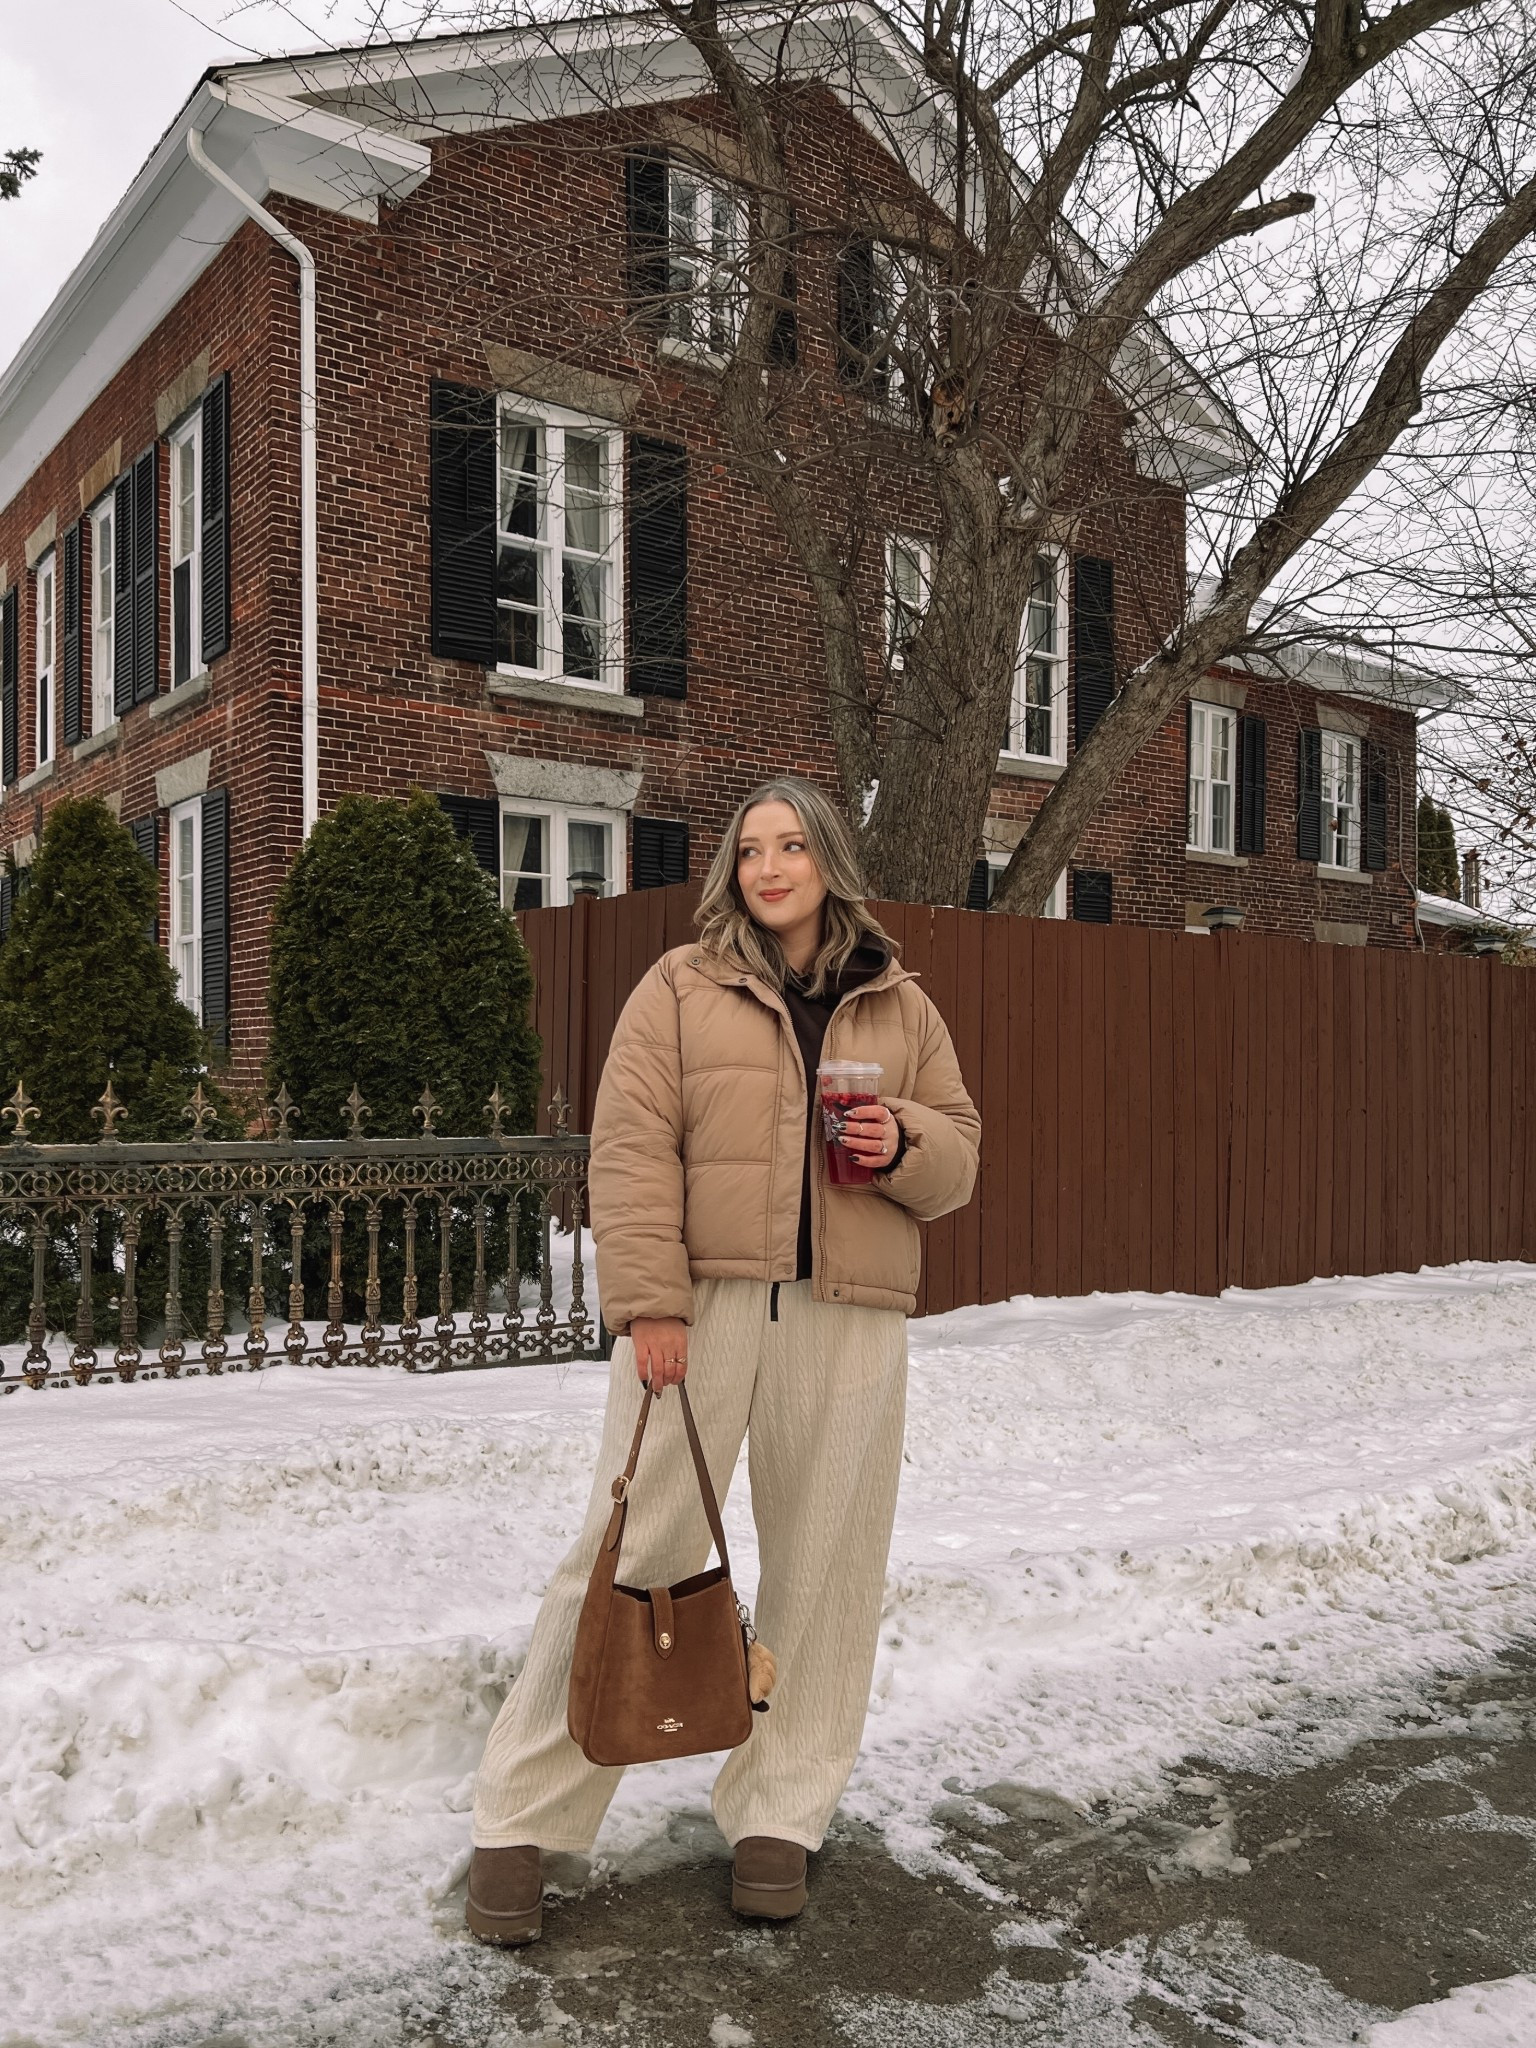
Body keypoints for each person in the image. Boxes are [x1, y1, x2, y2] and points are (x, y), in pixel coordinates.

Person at [467, 777, 980, 1942]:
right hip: (700, 1309)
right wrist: (650, 1301)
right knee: (632, 1548)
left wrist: (901, 1137)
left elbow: (959, 1158)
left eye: (793, 845)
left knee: (827, 1562)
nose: (771, 866)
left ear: (829, 859)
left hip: (850, 1311)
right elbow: (632, 1146)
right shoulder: (680, 986)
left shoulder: (900, 1004)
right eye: (752, 849)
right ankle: (521, 1817)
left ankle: (780, 1813)